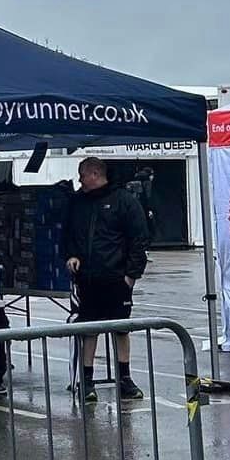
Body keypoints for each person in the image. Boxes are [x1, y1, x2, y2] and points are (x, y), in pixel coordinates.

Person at [62, 157, 150, 404]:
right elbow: (67, 233)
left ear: (94, 173)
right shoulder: (77, 202)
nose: (79, 180)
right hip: (87, 279)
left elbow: (139, 238)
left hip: (116, 278)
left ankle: (125, 378)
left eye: (82, 175)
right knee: (89, 328)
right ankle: (87, 380)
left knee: (121, 328)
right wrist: (70, 256)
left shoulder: (124, 201)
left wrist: (131, 276)